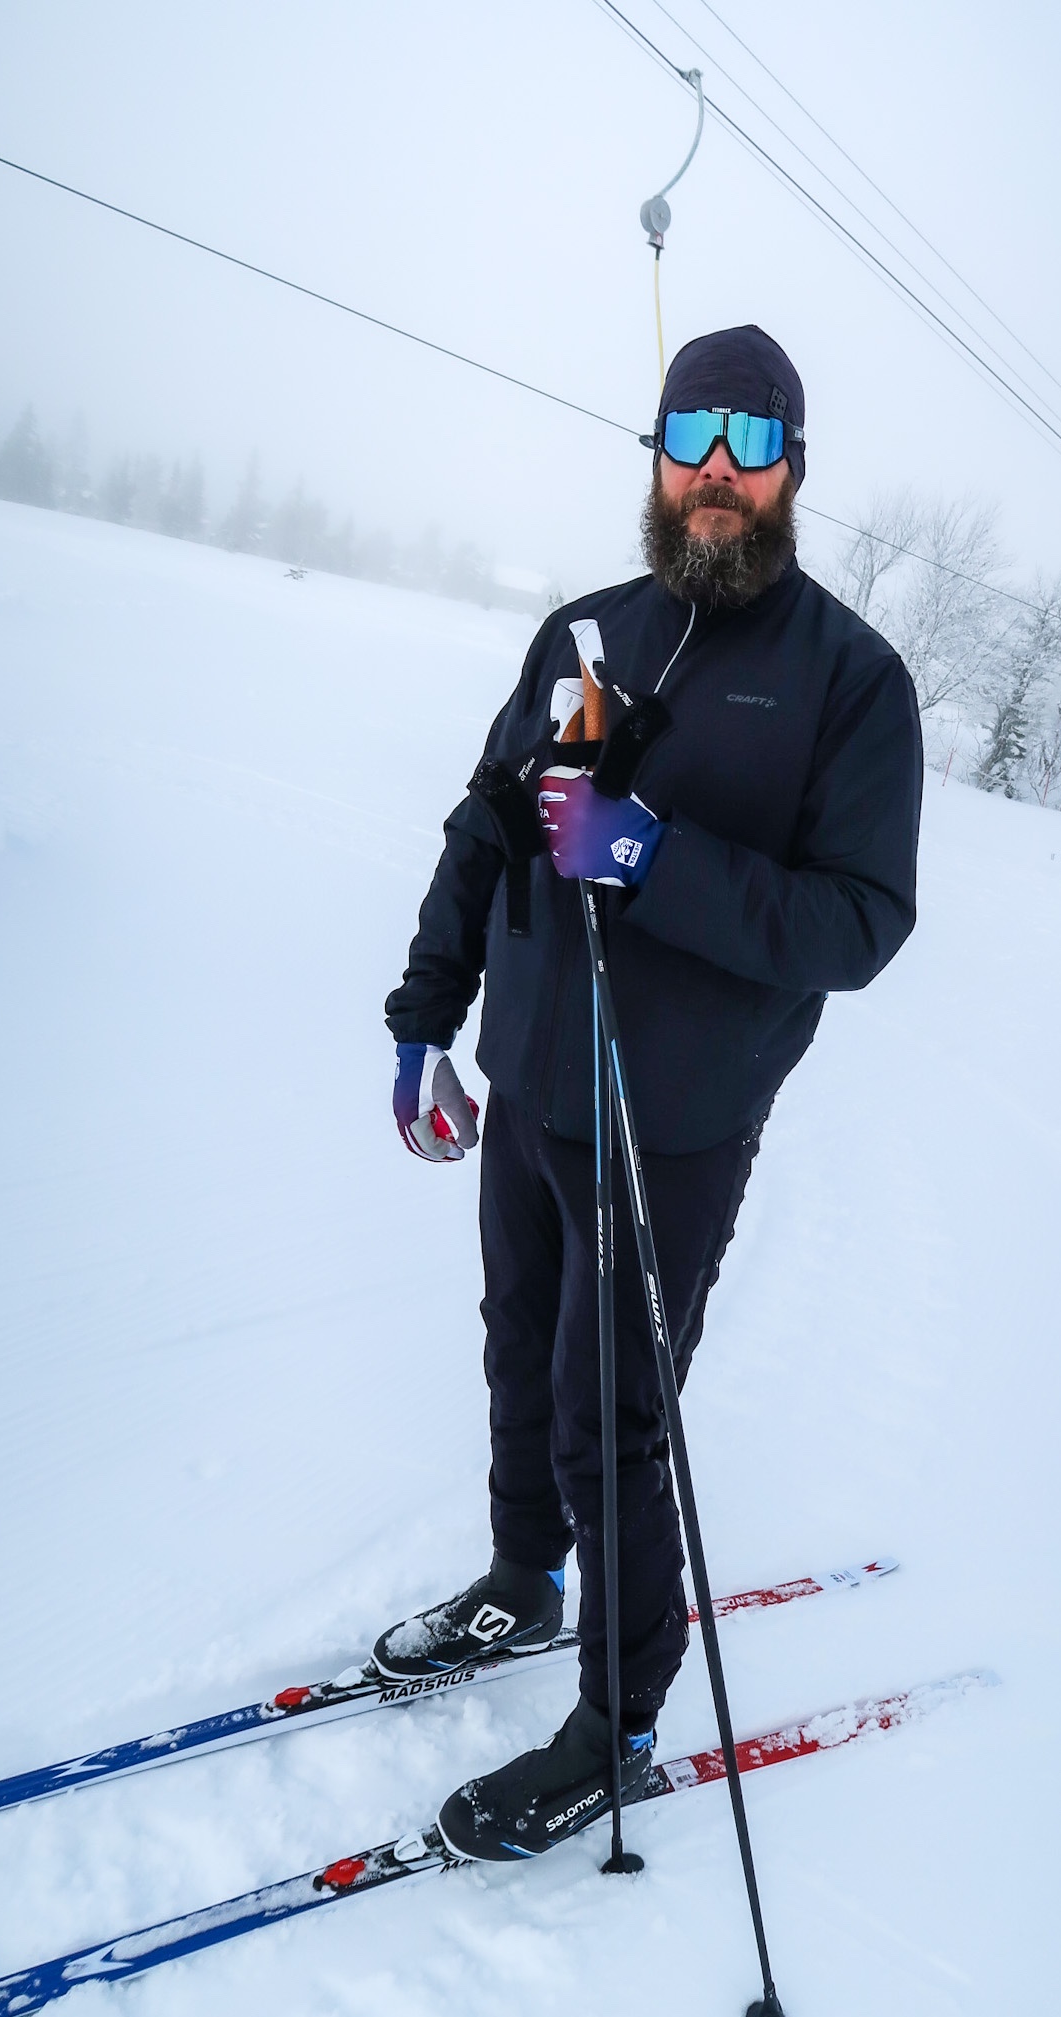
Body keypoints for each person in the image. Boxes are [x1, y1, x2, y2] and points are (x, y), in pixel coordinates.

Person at [379, 325, 922, 1861]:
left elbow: (857, 924)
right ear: (658, 454)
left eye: (752, 445)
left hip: (668, 1129)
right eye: (694, 436)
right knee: (516, 1354)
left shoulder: (849, 682)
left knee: (607, 1419)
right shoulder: (585, 635)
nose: (718, 472)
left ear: (793, 473)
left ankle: (614, 1726)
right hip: (528, 1086)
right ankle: (522, 1580)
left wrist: (651, 859)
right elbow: (485, 831)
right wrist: (425, 1020)